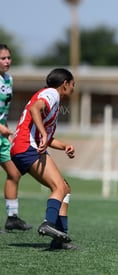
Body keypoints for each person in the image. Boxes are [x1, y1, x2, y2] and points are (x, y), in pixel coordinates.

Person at [10, 68, 77, 250]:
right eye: (72, 84)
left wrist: (64, 146)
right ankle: (48, 223)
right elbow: (34, 108)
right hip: (26, 146)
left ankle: (60, 240)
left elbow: (46, 137)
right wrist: (42, 133)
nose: (73, 88)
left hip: (23, 147)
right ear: (65, 84)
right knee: (58, 187)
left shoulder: (52, 100)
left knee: (65, 188)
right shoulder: (52, 94)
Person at [0, 44, 32, 233]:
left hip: (2, 137)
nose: (7, 61)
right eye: (3, 58)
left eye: (8, 58)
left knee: (14, 173)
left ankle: (12, 218)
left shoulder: (8, 79)